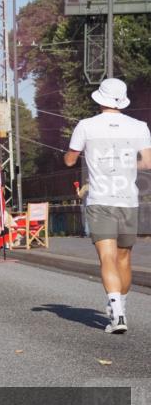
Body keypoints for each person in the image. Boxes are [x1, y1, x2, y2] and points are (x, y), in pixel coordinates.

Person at [65, 78, 151, 334]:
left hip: (100, 200)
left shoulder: (86, 126)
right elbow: (147, 162)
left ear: (99, 99)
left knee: (107, 257)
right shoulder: (139, 127)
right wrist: (128, 165)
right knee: (124, 257)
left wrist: (72, 156)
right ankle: (119, 305)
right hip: (128, 200)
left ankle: (117, 314)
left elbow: (70, 160)